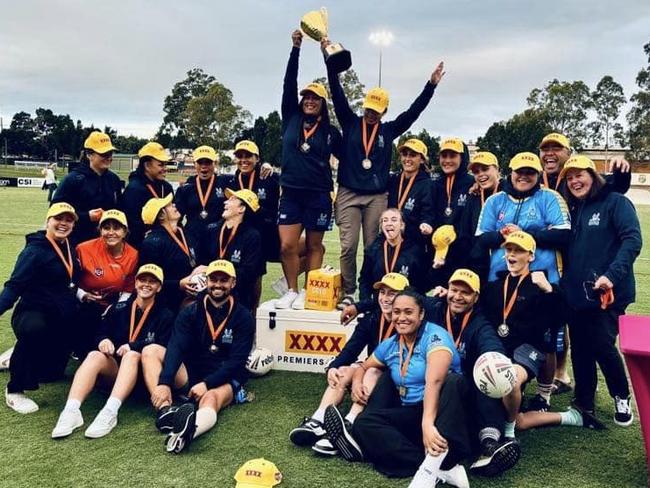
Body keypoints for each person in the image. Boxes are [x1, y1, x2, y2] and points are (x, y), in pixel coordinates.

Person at [322, 38, 445, 305]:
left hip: (377, 196)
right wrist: (328, 59)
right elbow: (336, 91)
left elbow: (413, 113)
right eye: (368, 109)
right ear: (363, 105)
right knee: (347, 246)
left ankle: (374, 293)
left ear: (384, 111)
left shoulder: (388, 131)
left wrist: (430, 86)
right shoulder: (350, 121)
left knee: (373, 247)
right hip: (348, 192)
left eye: (377, 111)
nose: (371, 114)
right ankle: (348, 292)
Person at [327, 290, 461, 480]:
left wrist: (427, 424)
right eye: (397, 312)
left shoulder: (435, 336)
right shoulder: (392, 344)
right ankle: (433, 468)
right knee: (364, 423)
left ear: (421, 314)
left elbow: (435, 382)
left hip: (440, 413)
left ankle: (415, 461)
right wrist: (357, 382)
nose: (401, 318)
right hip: (411, 411)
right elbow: (364, 367)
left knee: (453, 382)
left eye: (408, 312)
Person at [475, 152, 571, 412]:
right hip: (501, 280)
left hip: (542, 280)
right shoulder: (495, 201)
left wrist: (526, 234)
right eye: (519, 171)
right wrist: (503, 234)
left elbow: (563, 234)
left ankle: (544, 394)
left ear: (538, 175)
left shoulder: (550, 198)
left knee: (547, 338)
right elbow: (482, 238)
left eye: (530, 172)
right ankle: (510, 378)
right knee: (506, 331)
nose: (524, 176)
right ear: (511, 173)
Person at [538, 132, 631, 392]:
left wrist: (622, 174)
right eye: (545, 149)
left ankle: (565, 374)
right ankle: (577, 390)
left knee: (594, 338)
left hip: (587, 272)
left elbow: (610, 187)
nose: (550, 154)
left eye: (557, 148)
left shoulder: (582, 182)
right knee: (564, 326)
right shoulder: (539, 178)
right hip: (558, 267)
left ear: (569, 152)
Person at [289, 272, 409, 457]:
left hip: (397, 380)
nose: (385, 298)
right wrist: (333, 367)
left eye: (392, 294)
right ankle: (318, 420)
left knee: (372, 372)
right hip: (370, 370)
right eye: (382, 292)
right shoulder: (372, 319)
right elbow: (351, 350)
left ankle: (349, 425)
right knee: (343, 371)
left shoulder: (409, 321)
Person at [560, 155, 642, 426]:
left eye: (579, 175)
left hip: (609, 293)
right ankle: (585, 402)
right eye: (569, 177)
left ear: (593, 176)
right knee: (581, 348)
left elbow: (632, 240)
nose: (574, 181)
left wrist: (610, 276)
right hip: (578, 294)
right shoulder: (574, 208)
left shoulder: (616, 202)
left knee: (602, 345)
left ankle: (621, 395)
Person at [51, 264, 174, 439]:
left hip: (146, 376)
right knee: (94, 355)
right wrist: (103, 340)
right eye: (142, 280)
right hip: (118, 374)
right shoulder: (120, 307)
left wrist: (134, 346)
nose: (146, 285)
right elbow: (101, 331)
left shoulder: (165, 314)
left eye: (152, 282)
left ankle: (110, 411)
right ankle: (71, 410)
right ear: (135, 282)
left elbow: (164, 345)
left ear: (159, 287)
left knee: (132, 355)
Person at [146, 260, 255, 454]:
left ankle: (185, 434)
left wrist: (207, 383)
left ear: (233, 283)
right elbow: (176, 347)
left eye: (224, 280)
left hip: (225, 377)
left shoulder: (244, 316)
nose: (218, 285)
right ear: (206, 281)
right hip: (192, 375)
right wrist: (164, 382)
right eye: (213, 279)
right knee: (151, 350)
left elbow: (236, 361)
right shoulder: (190, 312)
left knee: (211, 397)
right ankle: (165, 411)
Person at [421, 269, 521, 478]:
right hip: (429, 382)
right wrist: (358, 306)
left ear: (476, 297)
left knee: (484, 374)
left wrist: (495, 360)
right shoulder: (432, 307)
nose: (457, 296)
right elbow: (402, 298)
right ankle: (475, 448)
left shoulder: (479, 323)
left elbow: (492, 346)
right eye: (454, 289)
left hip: (463, 389)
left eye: (465, 293)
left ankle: (490, 444)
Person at [275, 30, 342, 310]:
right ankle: (291, 290)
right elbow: (289, 83)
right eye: (307, 97)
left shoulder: (330, 131)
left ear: (322, 103)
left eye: (315, 98)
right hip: (291, 192)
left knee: (315, 246)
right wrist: (296, 49)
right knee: (288, 245)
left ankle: (308, 293)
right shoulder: (290, 117)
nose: (309, 101)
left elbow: (348, 158)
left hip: (318, 194)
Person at [0, 203, 79, 414]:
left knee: (50, 375)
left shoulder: (69, 246)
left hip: (60, 315)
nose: (63, 224)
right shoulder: (35, 250)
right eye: (58, 219)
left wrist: (80, 293)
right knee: (34, 329)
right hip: (33, 312)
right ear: (48, 221)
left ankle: (12, 358)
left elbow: (67, 279)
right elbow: (14, 285)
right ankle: (14, 390)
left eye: (68, 220)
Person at [74, 209, 138, 358]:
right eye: (106, 227)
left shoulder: (133, 255)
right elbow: (70, 280)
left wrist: (117, 307)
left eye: (116, 228)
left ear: (125, 231)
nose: (111, 232)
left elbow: (129, 288)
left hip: (113, 303)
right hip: (84, 302)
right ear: (100, 230)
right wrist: (82, 295)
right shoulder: (83, 249)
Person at [229, 140, 284, 306]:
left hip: (268, 233)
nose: (243, 160)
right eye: (239, 156)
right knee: (253, 278)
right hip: (244, 237)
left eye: (248, 156)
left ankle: (287, 284)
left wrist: (270, 166)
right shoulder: (230, 181)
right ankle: (252, 314)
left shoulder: (269, 176)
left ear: (257, 158)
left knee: (301, 249)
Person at [52, 131, 122, 244]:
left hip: (107, 244)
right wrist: (87, 216)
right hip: (77, 242)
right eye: (103, 154)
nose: (109, 158)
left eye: (110, 153)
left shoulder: (114, 180)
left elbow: (119, 209)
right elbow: (55, 211)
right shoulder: (73, 179)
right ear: (89, 155)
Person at [201, 189, 263, 311]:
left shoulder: (252, 236)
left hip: (238, 300)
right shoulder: (211, 230)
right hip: (208, 295)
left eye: (232, 199)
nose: (225, 203)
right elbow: (201, 262)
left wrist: (217, 271)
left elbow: (249, 274)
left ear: (242, 209)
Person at [139, 195, 202, 313]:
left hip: (191, 299)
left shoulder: (185, 233)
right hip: (165, 306)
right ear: (162, 214)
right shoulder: (152, 243)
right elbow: (147, 281)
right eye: (169, 205)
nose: (174, 206)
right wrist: (179, 284)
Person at [428, 138, 475, 287]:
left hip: (463, 252)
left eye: (452, 156)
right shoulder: (434, 184)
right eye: (444, 156)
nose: (447, 160)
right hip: (437, 252)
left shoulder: (473, 183)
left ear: (463, 158)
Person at [358, 208, 424, 301]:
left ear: (402, 225)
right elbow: (365, 280)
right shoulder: (373, 250)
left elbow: (421, 284)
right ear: (381, 226)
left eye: (394, 220)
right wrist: (365, 304)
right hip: (380, 303)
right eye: (385, 220)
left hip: (405, 305)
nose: (389, 223)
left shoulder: (415, 251)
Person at [121, 142, 174, 248]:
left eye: (165, 164)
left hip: (165, 242)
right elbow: (132, 225)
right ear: (147, 165)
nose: (165, 168)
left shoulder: (166, 187)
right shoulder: (134, 190)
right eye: (160, 165)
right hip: (143, 246)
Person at [458, 151, 501, 281]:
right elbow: (465, 233)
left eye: (485, 169)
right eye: (476, 172)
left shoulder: (508, 193)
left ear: (497, 169)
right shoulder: (474, 196)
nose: (481, 174)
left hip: (503, 263)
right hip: (478, 266)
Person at [387, 139, 435, 247]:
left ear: (422, 160)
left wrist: (426, 223)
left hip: (413, 242)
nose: (407, 159)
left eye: (412, 155)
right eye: (405, 155)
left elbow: (428, 211)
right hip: (391, 237)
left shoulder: (427, 184)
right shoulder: (394, 179)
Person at [176, 145, 225, 244]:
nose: (204, 166)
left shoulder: (224, 183)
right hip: (193, 239)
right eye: (200, 162)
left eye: (208, 162)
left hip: (217, 238)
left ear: (214, 163)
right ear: (194, 164)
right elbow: (175, 217)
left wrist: (264, 166)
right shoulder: (186, 187)